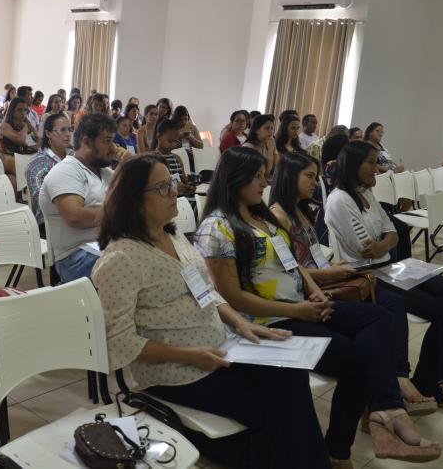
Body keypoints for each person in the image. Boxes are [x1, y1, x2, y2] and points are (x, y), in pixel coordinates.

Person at [195, 147, 441, 466]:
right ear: (234, 178)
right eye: (256, 176)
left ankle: (385, 408)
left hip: (301, 305)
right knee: (357, 361)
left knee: (379, 316)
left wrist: (316, 293)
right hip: (268, 320)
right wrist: (299, 311)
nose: (263, 181)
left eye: (264, 174)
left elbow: (292, 264)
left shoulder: (261, 216)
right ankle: (341, 449)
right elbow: (233, 297)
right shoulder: (217, 227)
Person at [92, 154, 331, 469]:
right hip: (175, 372)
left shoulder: (173, 236)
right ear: (135, 201)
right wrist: (192, 355)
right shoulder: (121, 260)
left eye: (172, 184)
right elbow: (120, 343)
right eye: (162, 187)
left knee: (290, 378)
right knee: (275, 403)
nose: (175, 191)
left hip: (221, 350)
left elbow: (206, 291)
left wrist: (240, 324)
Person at [326, 141, 443, 407]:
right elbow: (364, 247)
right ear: (353, 165)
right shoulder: (339, 200)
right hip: (365, 275)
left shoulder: (365, 193)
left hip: (385, 266)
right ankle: (433, 383)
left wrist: (383, 242)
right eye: (370, 162)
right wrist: (384, 242)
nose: (376, 168)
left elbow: (392, 229)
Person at [270, 152, 438, 415]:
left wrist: (331, 269)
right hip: (313, 290)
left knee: (391, 305)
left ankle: (393, 383)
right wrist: (327, 275)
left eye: (316, 176)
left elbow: (314, 259)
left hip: (326, 278)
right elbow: (291, 272)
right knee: (384, 309)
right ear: (290, 177)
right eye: (309, 176)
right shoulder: (279, 217)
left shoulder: (301, 212)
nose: (315, 182)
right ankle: (393, 386)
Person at [39, 113, 116, 282]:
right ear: (87, 142)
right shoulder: (66, 171)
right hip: (75, 257)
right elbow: (76, 217)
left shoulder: (107, 174)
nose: (113, 148)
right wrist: (118, 210)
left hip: (107, 247)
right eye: (107, 141)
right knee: (133, 264)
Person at [26, 113, 72, 229]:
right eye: (62, 130)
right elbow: (41, 203)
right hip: (49, 223)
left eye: (69, 129)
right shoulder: (37, 165)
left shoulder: (73, 157)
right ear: (48, 133)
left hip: (75, 216)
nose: (68, 134)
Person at [153, 119, 194, 197]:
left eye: (175, 141)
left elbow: (184, 180)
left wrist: (189, 187)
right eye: (170, 141)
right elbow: (154, 186)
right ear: (158, 137)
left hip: (179, 199)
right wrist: (174, 187)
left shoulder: (177, 158)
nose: (173, 144)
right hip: (164, 200)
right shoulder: (153, 159)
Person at [242, 114, 279, 179]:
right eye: (267, 128)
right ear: (256, 130)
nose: (271, 131)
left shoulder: (267, 144)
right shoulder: (249, 147)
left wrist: (273, 149)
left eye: (272, 128)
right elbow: (265, 172)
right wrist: (270, 150)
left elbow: (277, 168)